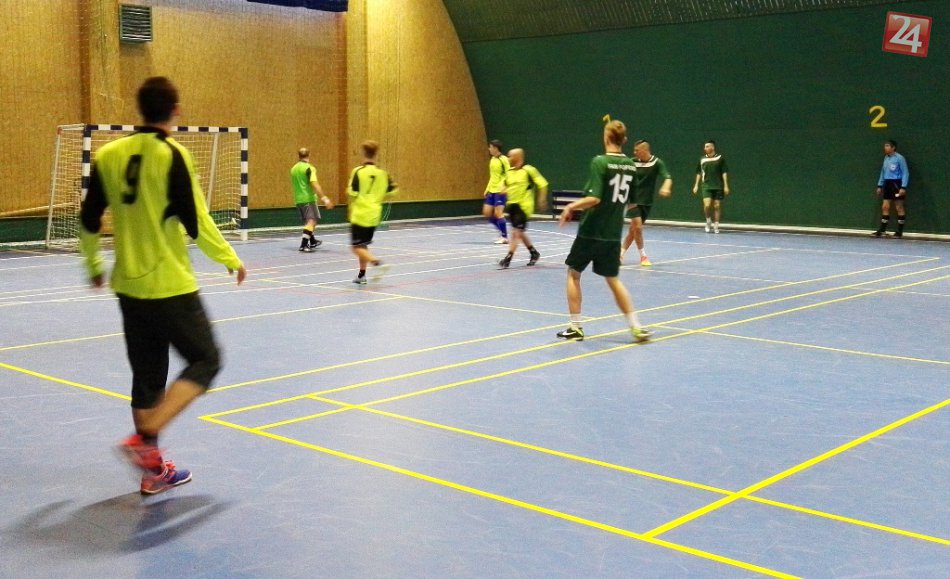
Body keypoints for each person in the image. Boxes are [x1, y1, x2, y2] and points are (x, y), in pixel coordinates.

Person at [79, 77, 247, 495]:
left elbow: (89, 218)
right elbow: (197, 220)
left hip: (128, 287)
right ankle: (144, 437)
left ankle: (153, 472)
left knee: (148, 379)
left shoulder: (108, 155)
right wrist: (229, 257)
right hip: (169, 285)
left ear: (140, 108)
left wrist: (93, 263)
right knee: (206, 360)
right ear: (175, 110)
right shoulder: (173, 155)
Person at [557, 120, 652, 343]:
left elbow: (595, 198)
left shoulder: (600, 162)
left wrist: (571, 206)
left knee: (573, 273)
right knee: (613, 279)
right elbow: (631, 203)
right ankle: (636, 327)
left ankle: (576, 327)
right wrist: (633, 221)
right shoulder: (631, 166)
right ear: (624, 140)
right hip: (612, 234)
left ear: (607, 137)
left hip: (590, 231)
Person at [347, 140, 398, 284]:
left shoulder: (358, 172)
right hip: (375, 215)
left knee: (356, 248)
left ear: (363, 153)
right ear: (376, 154)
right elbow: (393, 190)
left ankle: (378, 264)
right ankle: (361, 276)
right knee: (363, 245)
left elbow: (352, 192)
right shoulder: (383, 174)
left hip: (361, 214)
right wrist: (378, 195)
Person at [622, 139, 672, 266]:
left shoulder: (657, 162)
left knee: (633, 231)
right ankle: (643, 256)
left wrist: (666, 187)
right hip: (632, 200)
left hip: (646, 202)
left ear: (645, 150)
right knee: (638, 227)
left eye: (637, 150)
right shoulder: (631, 162)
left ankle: (620, 254)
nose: (634, 152)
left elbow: (667, 177)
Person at [498, 148, 549, 268]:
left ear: (518, 158)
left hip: (524, 207)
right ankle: (533, 252)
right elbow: (502, 186)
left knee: (515, 232)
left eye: (510, 156)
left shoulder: (528, 170)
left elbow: (543, 184)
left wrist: (541, 199)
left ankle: (508, 258)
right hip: (512, 206)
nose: (508, 158)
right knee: (519, 232)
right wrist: (503, 189)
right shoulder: (509, 172)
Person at [291, 147, 334, 252]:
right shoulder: (309, 168)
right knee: (312, 221)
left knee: (308, 222)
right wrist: (325, 199)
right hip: (308, 199)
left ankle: (313, 241)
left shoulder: (293, 169)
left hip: (298, 199)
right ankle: (303, 245)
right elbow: (315, 184)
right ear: (309, 155)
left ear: (298, 156)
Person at [872, 139, 910, 238]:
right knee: (885, 207)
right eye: (885, 146)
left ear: (893, 148)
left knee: (899, 207)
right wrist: (880, 185)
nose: (885, 148)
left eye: (887, 146)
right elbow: (883, 172)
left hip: (897, 184)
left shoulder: (900, 158)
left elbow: (905, 172)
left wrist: (903, 187)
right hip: (888, 184)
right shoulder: (886, 158)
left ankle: (899, 232)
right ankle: (882, 230)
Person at [691, 139, 730, 233]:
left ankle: (716, 225)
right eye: (705, 147)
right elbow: (698, 173)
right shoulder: (702, 159)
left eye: (707, 146)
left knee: (717, 206)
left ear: (712, 147)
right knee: (707, 205)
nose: (705, 148)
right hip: (706, 186)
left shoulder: (720, 158)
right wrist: (696, 185)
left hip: (718, 186)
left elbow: (724, 172)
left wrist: (726, 185)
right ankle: (708, 221)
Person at [482, 139, 511, 244]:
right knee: (487, 213)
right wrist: (487, 189)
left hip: (500, 190)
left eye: (490, 147)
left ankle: (504, 237)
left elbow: (509, 174)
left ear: (495, 148)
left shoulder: (504, 160)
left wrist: (505, 187)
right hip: (492, 190)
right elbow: (492, 176)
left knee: (498, 213)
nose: (489, 149)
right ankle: (501, 229)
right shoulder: (492, 160)